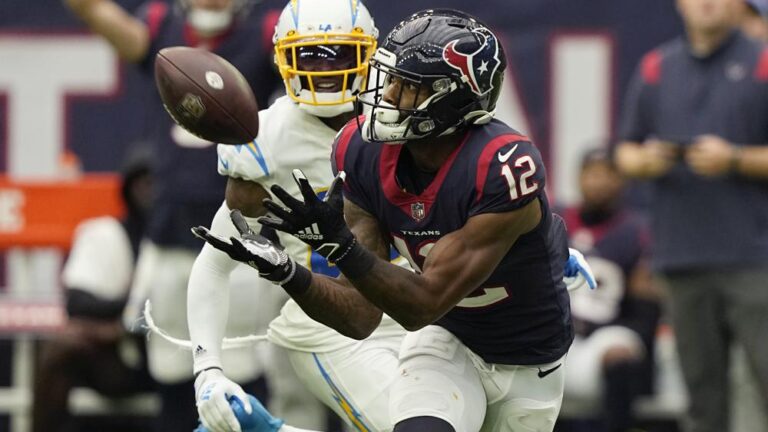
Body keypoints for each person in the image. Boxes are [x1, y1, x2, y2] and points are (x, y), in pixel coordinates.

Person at [196, 9, 573, 432]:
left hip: (525, 361)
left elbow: (424, 300)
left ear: (452, 97)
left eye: (406, 86)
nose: (387, 95)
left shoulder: (499, 165)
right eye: (389, 79)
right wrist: (288, 273)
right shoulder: (361, 150)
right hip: (444, 339)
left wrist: (338, 243)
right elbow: (361, 315)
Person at [185, 1, 404, 431]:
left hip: (421, 312)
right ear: (283, 59)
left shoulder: (405, 120)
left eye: (339, 53)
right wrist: (207, 368)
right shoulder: (267, 139)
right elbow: (214, 263)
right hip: (332, 325)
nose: (325, 70)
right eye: (310, 55)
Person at [63, 0, 281, 430]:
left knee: (239, 372)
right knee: (173, 372)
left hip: (240, 238)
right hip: (168, 236)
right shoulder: (163, 26)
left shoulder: (265, 32)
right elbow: (101, 16)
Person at [615, 0, 768, 431]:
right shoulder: (656, 68)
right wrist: (644, 162)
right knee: (702, 400)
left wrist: (734, 159)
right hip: (682, 258)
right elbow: (624, 150)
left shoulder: (762, 62)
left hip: (756, 259)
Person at [31, 149, 155, 432]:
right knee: (61, 348)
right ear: (127, 188)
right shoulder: (105, 234)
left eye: (156, 182)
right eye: (142, 182)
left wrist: (130, 316)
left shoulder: (188, 238)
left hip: (177, 357)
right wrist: (128, 313)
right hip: (120, 360)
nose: (150, 191)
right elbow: (77, 302)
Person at [559, 148, 661, 432]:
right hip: (556, 335)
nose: (598, 182)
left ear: (621, 180)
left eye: (607, 175)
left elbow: (646, 308)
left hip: (607, 332)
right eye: (592, 174)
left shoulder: (637, 231)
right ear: (578, 178)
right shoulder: (554, 221)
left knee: (618, 354)